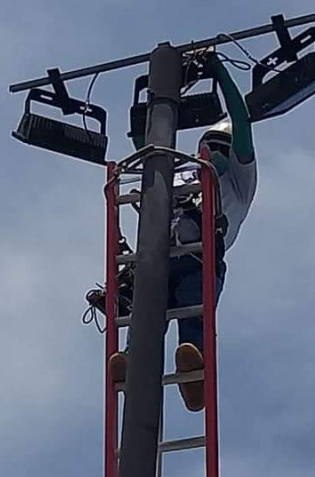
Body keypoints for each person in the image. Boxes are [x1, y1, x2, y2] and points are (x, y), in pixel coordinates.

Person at [110, 51, 257, 411]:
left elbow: (241, 121)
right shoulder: (181, 175)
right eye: (209, 146)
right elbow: (148, 148)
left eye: (220, 147)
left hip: (198, 258)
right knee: (146, 310)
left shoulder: (237, 183)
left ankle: (194, 371)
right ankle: (132, 363)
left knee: (193, 311)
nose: (213, 152)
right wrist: (157, 94)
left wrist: (217, 69)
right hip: (160, 257)